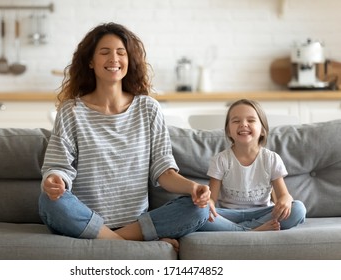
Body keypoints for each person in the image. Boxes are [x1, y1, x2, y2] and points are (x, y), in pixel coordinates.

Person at [38, 22, 210, 251]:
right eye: (104, 52)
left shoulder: (148, 108)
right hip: (83, 217)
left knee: (199, 208)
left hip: (135, 222)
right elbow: (58, 165)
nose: (114, 59)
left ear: (130, 61)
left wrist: (193, 188)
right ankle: (129, 243)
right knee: (49, 203)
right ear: (91, 61)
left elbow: (164, 171)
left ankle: (108, 239)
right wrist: (54, 179)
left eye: (121, 52)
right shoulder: (72, 111)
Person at [198, 99, 306, 232]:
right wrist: (208, 204)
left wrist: (287, 199)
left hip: (262, 213)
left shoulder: (271, 158)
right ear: (228, 131)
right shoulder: (220, 160)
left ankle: (237, 231)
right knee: (198, 213)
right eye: (236, 121)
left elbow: (284, 195)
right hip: (229, 215)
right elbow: (212, 200)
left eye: (251, 120)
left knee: (298, 209)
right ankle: (252, 230)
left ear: (262, 129)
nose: (243, 124)